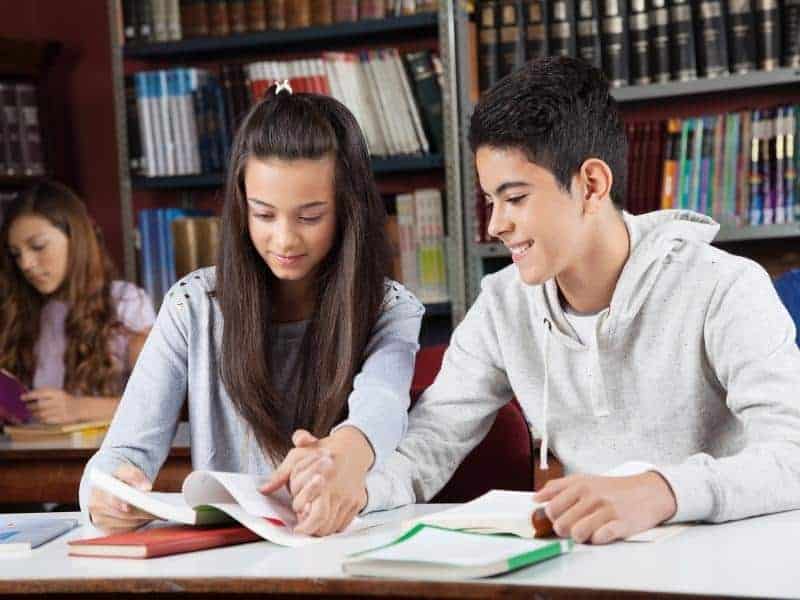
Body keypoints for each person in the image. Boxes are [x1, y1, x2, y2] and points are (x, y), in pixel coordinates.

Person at [338, 56, 800, 544]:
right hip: (595, 568)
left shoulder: (723, 287)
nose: (495, 225)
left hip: (729, 567)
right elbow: (426, 447)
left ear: (591, 185)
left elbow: (794, 452)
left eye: (515, 199)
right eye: (491, 201)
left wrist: (661, 490)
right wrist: (349, 491)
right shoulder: (503, 305)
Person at [80, 82, 424, 536]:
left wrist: (340, 455)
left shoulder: (390, 307)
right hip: (229, 560)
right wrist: (104, 492)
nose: (284, 240)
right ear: (241, 206)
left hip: (341, 550)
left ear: (347, 210)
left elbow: (380, 405)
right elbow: (121, 451)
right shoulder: (193, 305)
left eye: (309, 217)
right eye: (263, 215)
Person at [0, 180, 154, 425]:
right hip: (32, 457)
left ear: (76, 239)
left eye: (38, 246)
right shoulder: (20, 312)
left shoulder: (126, 303)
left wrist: (78, 408)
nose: (26, 264)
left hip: (105, 459)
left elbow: (162, 405)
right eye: (16, 254)